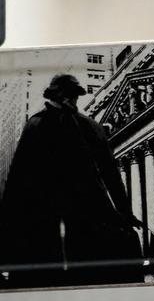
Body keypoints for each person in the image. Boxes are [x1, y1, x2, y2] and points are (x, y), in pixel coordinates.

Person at [0, 73, 143, 287]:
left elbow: (110, 173)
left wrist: (125, 212)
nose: (72, 100)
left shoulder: (90, 127)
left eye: (75, 95)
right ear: (56, 95)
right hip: (48, 212)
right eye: (68, 95)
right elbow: (19, 178)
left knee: (97, 263)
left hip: (86, 208)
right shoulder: (36, 124)